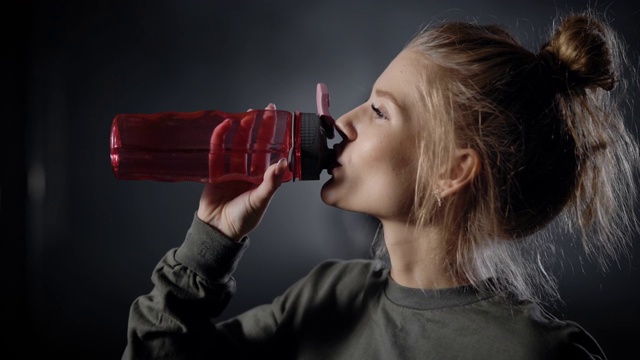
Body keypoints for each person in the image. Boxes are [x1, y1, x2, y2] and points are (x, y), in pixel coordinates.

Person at [122, 10, 638, 360]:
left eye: (378, 110)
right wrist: (207, 246)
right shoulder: (326, 297)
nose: (341, 123)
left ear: (452, 171)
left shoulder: (536, 353)